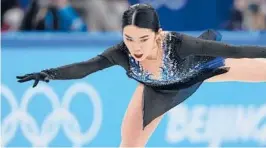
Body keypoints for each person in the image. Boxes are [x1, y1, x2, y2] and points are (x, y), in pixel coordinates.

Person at [16, 3, 266, 147]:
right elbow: (85, 68)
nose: (136, 47)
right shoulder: (121, 53)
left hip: (201, 71)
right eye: (129, 38)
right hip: (158, 91)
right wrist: (48, 73)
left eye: (144, 39)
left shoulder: (179, 44)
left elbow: (234, 49)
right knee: (128, 144)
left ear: (158, 34)